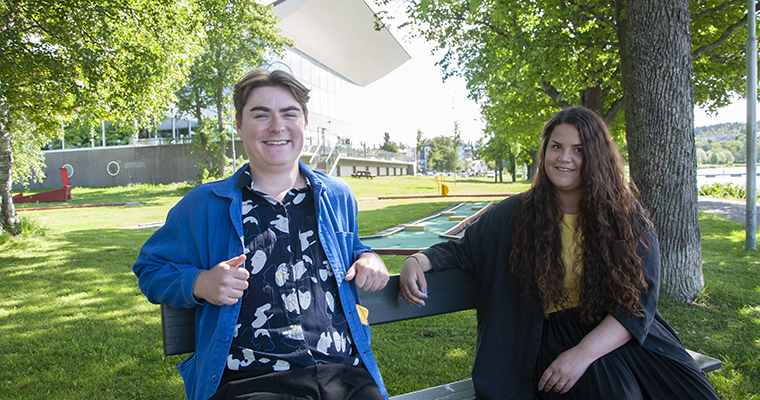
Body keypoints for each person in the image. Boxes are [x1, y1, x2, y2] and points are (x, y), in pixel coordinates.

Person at [399, 106, 719, 400]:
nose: (564, 158)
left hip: (616, 332)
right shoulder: (515, 214)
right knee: (617, 393)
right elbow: (463, 249)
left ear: (597, 156)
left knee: (693, 394)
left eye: (578, 150)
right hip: (549, 337)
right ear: (544, 151)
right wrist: (417, 260)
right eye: (556, 146)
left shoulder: (625, 217)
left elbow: (637, 302)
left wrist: (582, 354)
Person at [133, 68, 390, 400]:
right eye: (261, 115)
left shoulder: (336, 195)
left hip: (344, 376)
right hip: (251, 381)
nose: (277, 126)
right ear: (239, 125)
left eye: (289, 114)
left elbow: (350, 248)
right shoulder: (204, 204)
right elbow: (150, 269)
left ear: (305, 122)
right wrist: (201, 283)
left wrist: (368, 256)